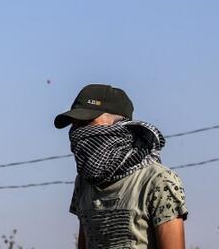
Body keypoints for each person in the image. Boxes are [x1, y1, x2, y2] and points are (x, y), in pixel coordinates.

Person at [55, 84, 187, 249]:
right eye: (75, 125)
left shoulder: (158, 181)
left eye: (87, 122)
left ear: (119, 124)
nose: (78, 132)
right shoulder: (84, 182)